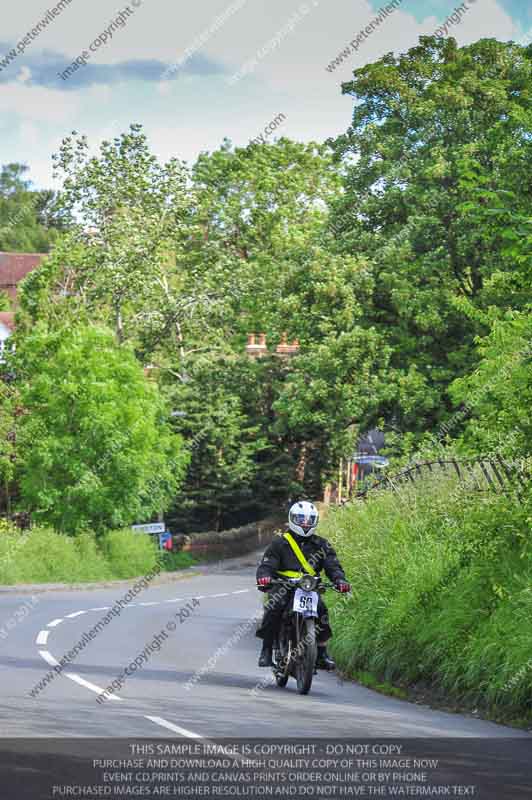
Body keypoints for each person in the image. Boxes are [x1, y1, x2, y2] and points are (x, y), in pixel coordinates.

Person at [256, 500, 350, 670]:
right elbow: (267, 565)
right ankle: (267, 650)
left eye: (309, 520)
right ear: (293, 519)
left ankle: (321, 652)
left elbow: (332, 565)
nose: (305, 523)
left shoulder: (322, 544)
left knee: (321, 609)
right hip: (283, 586)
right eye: (301, 519)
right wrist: (264, 577)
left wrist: (340, 580)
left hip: (309, 586)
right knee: (275, 606)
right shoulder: (280, 543)